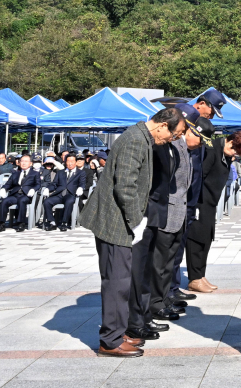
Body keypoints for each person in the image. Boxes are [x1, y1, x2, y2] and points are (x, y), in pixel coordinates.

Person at [79, 106, 182, 358]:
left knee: (121, 281)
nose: (172, 139)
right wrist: (136, 221)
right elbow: (126, 186)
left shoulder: (141, 137)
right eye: (174, 134)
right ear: (162, 125)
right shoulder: (136, 140)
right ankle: (110, 340)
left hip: (119, 220)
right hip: (114, 222)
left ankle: (118, 331)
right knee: (117, 282)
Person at [127, 106, 194, 342]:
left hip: (158, 211)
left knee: (147, 270)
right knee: (141, 270)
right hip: (145, 213)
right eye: (178, 132)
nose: (177, 137)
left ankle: (145, 315)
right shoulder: (150, 143)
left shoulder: (168, 146)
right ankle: (137, 319)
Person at [186, 127, 241, 293]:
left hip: (211, 203)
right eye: (233, 151)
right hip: (200, 202)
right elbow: (199, 176)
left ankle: (201, 275)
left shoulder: (225, 154)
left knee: (207, 238)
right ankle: (194, 278)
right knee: (197, 239)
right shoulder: (212, 149)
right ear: (230, 141)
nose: (234, 155)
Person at [147, 105, 198, 322]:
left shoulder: (178, 144)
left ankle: (165, 297)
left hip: (179, 211)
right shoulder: (163, 143)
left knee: (170, 261)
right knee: (160, 262)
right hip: (165, 211)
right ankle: (156, 302)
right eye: (185, 128)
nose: (184, 133)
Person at [0, 155, 40, 232]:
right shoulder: (15, 173)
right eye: (22, 161)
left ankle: (21, 223)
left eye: (26, 161)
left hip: (26, 195)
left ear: (30, 163)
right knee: (5, 201)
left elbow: (38, 184)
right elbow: (8, 184)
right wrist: (3, 189)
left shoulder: (35, 173)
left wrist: (33, 189)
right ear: (19, 163)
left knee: (22, 201)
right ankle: (2, 223)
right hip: (15, 195)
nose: (23, 163)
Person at [45, 154, 89, 231]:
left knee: (69, 202)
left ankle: (64, 223)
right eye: (68, 161)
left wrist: (80, 188)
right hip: (59, 194)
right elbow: (54, 184)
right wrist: (48, 189)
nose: (70, 163)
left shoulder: (81, 173)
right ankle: (52, 222)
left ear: (75, 162)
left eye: (72, 161)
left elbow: (82, 183)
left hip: (70, 194)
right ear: (65, 162)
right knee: (47, 201)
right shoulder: (60, 172)